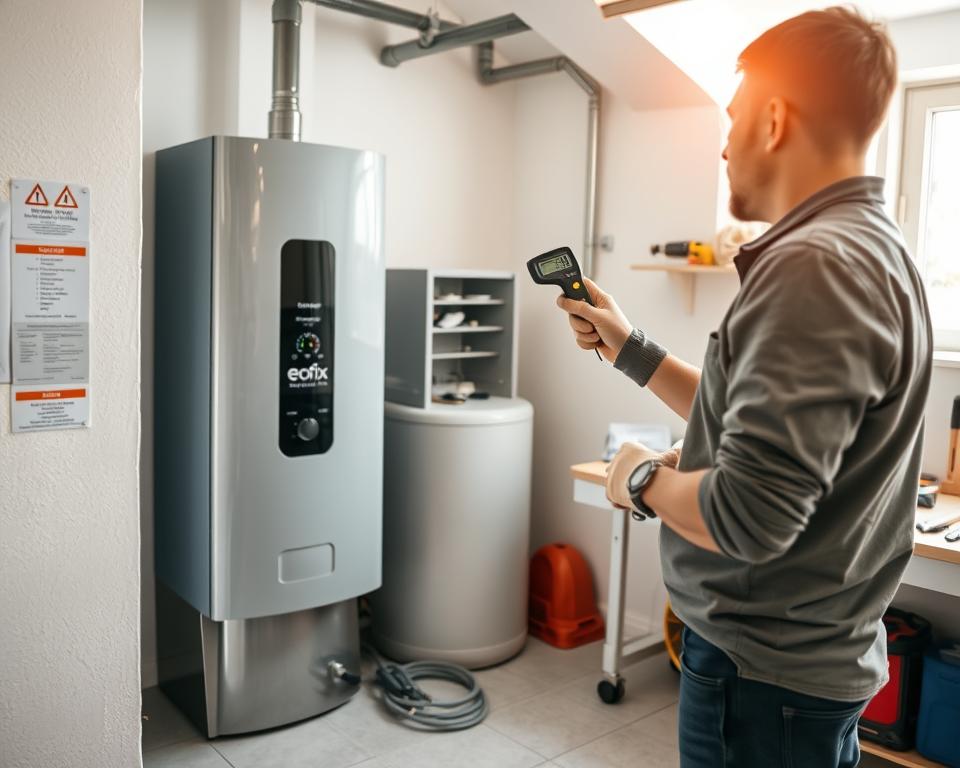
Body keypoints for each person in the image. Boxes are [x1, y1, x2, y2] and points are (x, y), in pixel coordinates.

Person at [555, 7, 932, 767]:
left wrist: (643, 479)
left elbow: (750, 514)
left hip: (762, 678)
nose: (724, 147)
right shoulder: (872, 247)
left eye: (731, 120)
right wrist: (632, 349)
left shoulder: (816, 268)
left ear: (774, 116)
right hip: (797, 670)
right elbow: (745, 428)